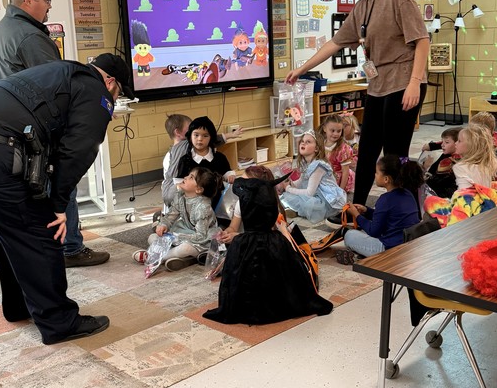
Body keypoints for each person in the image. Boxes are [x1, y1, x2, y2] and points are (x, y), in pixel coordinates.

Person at [0, 54, 134, 345]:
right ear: (111, 81)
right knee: (41, 233)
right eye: (118, 93)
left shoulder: (59, 71)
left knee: (4, 233)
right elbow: (79, 149)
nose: (114, 100)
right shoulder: (96, 90)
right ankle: (59, 322)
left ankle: (19, 306)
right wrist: (58, 204)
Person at [285, 0, 428, 207]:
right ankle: (357, 207)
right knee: (368, 149)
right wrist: (302, 69)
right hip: (378, 84)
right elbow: (334, 44)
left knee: (394, 155)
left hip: (404, 80)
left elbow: (422, 41)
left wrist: (415, 83)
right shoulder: (362, 6)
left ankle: (402, 209)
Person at [0, 0, 108, 268]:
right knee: (62, 182)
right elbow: (56, 85)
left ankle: (51, 248)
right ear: (28, 0)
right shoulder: (30, 37)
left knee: (38, 189)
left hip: (13, 126)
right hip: (39, 126)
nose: (49, 5)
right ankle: (70, 248)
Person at [204, 173, 333, 325]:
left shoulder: (240, 244)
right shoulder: (279, 243)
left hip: (244, 302)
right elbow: (294, 278)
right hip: (280, 301)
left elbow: (230, 283)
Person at [135, 166, 219, 272]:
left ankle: (154, 258)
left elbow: (201, 236)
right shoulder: (180, 196)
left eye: (191, 177)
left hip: (201, 240)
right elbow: (171, 215)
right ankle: (182, 258)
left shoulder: (203, 207)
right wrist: (163, 225)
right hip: (183, 232)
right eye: (188, 175)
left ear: (198, 189)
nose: (186, 177)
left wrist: (175, 237)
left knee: (185, 248)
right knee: (152, 237)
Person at [342, 156, 423, 260]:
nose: (375, 175)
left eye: (377, 172)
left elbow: (374, 231)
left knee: (349, 235)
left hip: (390, 250)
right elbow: (389, 216)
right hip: (409, 245)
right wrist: (367, 211)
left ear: (386, 179)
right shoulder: (408, 194)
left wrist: (356, 215)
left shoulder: (385, 199)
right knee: (363, 231)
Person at [281, 130, 346, 223]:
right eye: (302, 141)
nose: (303, 143)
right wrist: (290, 183)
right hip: (316, 192)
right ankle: (297, 210)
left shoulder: (318, 166)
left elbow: (309, 193)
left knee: (307, 202)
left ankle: (298, 211)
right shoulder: (305, 162)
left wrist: (288, 188)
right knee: (286, 195)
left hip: (327, 199)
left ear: (316, 149)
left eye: (308, 142)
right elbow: (301, 181)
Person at [173, 116, 231, 209]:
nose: (200, 139)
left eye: (205, 136)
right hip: (193, 205)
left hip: (219, 202)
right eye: (196, 135)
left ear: (211, 137)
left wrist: (230, 176)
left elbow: (227, 173)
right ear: (190, 136)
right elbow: (180, 183)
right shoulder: (185, 160)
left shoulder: (219, 157)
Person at [159, 113, 191, 214]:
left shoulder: (171, 153)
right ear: (178, 132)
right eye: (189, 128)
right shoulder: (184, 146)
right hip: (173, 190)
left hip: (168, 189)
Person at [318, 114, 355, 194]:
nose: (336, 134)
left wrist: (340, 190)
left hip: (338, 178)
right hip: (324, 175)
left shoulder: (343, 149)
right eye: (332, 130)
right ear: (325, 129)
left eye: (339, 131)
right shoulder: (320, 144)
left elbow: (345, 171)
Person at [420, 127, 459, 197]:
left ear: (457, 144)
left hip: (442, 196)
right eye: (442, 141)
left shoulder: (448, 162)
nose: (442, 145)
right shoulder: (450, 154)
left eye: (446, 142)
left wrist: (425, 167)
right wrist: (432, 146)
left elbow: (432, 183)